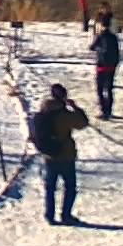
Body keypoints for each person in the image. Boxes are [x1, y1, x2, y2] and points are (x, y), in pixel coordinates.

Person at [36, 83, 90, 225]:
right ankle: (66, 215)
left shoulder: (43, 112)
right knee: (70, 187)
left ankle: (49, 215)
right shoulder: (64, 115)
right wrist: (75, 107)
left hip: (49, 156)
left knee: (50, 188)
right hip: (65, 155)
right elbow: (83, 123)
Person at [88, 15, 120, 119]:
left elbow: (92, 47)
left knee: (100, 89)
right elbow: (117, 53)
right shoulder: (114, 37)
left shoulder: (100, 36)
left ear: (101, 25)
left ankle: (103, 110)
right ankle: (109, 111)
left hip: (101, 67)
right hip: (111, 67)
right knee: (109, 89)